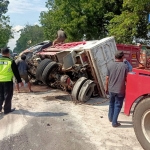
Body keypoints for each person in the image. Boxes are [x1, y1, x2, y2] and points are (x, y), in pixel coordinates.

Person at [105, 51, 128, 127]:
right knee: (118, 105)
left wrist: (106, 88)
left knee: (111, 103)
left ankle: (110, 118)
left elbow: (107, 78)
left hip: (111, 89)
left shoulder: (110, 65)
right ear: (122, 57)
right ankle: (114, 122)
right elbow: (127, 79)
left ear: (115, 57)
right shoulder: (125, 66)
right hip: (120, 90)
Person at [0, 47, 23, 114]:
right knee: (7, 96)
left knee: (0, 95)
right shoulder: (11, 61)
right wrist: (20, 81)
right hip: (7, 81)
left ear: (2, 53)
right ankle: (7, 110)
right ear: (8, 53)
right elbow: (16, 72)